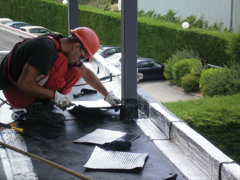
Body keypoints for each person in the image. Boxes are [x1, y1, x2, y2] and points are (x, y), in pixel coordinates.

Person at [0, 27, 120, 124]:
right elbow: (24, 84)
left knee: (75, 72)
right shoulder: (46, 49)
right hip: (16, 93)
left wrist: (107, 95)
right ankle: (36, 109)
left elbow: (86, 73)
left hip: (24, 90)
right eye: (82, 57)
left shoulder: (57, 43)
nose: (80, 60)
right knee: (61, 61)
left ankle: (44, 102)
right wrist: (55, 95)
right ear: (76, 47)